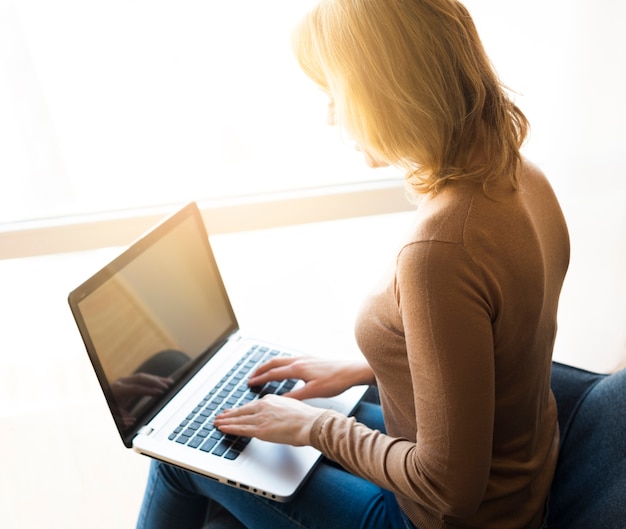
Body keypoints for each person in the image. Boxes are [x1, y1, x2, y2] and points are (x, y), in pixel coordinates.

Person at [135, 1, 570, 528]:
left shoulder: (440, 250)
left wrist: (314, 428)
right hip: (520, 483)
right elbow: (497, 349)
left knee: (179, 456)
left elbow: (448, 489)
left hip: (439, 518)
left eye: (335, 93)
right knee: (238, 422)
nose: (331, 114)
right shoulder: (523, 176)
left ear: (385, 90)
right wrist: (370, 368)